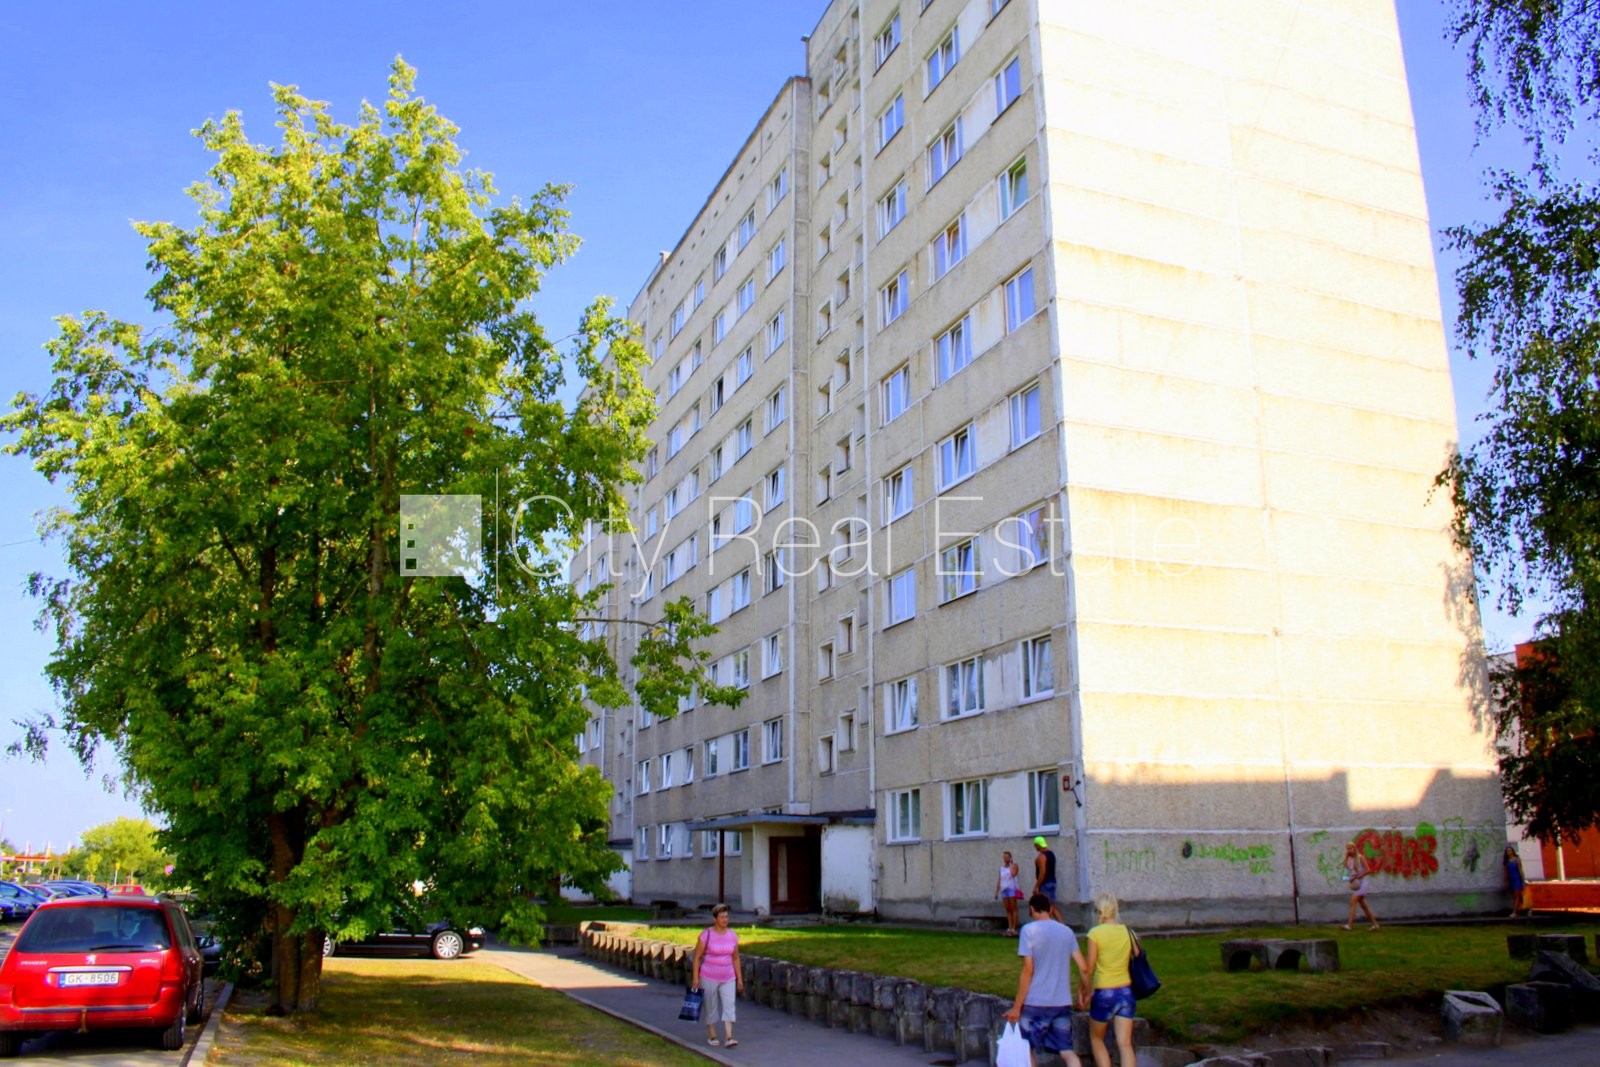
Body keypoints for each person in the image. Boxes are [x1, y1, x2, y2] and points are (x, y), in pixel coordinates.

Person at [1003, 893, 1086, 1067]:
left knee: (1027, 1048)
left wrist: (1017, 1007)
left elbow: (1028, 970)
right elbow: (1083, 967)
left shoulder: (1029, 931)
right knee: (1067, 1051)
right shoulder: (1067, 932)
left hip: (1036, 1002)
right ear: (1051, 909)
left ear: (1032, 909)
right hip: (1062, 1002)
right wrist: (1085, 993)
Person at [1081, 892, 1138, 1067]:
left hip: (1104, 991)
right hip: (1126, 991)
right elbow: (1137, 955)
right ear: (1115, 909)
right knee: (1125, 1044)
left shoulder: (1095, 933)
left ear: (1098, 911)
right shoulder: (1127, 931)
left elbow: (1089, 968)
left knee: (1097, 1039)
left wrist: (1084, 991)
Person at [690, 903, 744, 1047]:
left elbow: (735, 958)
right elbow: (697, 958)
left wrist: (739, 978)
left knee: (729, 1005)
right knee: (710, 1005)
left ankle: (729, 1036)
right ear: (715, 919)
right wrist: (695, 978)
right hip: (708, 976)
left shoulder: (732, 935)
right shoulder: (706, 935)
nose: (725, 920)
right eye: (722, 917)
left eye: (726, 917)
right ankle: (712, 1034)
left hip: (728, 976)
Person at [1341, 842, 1379, 930]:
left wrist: (1358, 876)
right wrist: (1346, 857)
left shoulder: (1360, 857)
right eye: (1347, 849)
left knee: (1353, 901)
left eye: (1350, 848)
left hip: (1363, 883)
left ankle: (1349, 925)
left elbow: (1368, 870)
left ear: (1354, 848)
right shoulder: (1349, 859)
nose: (1349, 850)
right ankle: (1375, 925)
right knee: (1363, 905)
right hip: (1356, 883)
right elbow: (1345, 870)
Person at [1032, 836, 1062, 921]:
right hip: (1052, 882)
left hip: (1045, 884)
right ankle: (1063, 925)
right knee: (1052, 906)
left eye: (1035, 845)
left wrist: (1036, 886)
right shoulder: (1051, 854)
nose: (1035, 847)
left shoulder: (1042, 856)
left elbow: (1042, 873)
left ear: (1038, 845)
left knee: (1044, 907)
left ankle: (1047, 925)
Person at [996, 850, 1024, 936]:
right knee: (1008, 909)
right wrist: (997, 891)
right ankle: (1009, 927)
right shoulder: (1001, 868)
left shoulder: (1014, 866)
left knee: (1013, 908)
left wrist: (1011, 865)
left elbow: (1013, 874)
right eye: (1004, 857)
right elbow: (1000, 879)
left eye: (1007, 857)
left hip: (1011, 888)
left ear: (1010, 858)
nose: (1005, 859)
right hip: (1004, 889)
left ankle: (1014, 928)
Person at [1504, 845, 1528, 918]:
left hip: (1517, 879)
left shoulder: (1517, 860)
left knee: (1517, 896)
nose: (1509, 852)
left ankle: (1514, 912)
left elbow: (1520, 871)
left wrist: (1523, 880)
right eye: (1507, 851)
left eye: (1510, 850)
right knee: (1515, 897)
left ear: (1513, 852)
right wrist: (1506, 882)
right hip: (1511, 880)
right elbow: (1506, 873)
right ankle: (1524, 909)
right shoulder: (1506, 862)